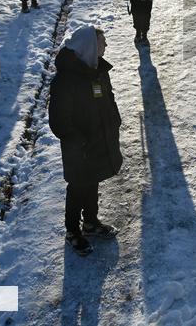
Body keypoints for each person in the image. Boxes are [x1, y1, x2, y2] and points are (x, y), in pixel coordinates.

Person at [48, 26, 122, 256]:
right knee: (78, 186)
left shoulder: (97, 69)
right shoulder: (66, 80)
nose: (106, 46)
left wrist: (114, 120)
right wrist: (78, 141)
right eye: (102, 42)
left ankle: (90, 222)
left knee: (93, 180)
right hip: (78, 148)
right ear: (89, 47)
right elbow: (59, 121)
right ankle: (72, 231)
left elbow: (107, 98)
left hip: (98, 139)